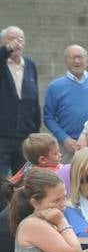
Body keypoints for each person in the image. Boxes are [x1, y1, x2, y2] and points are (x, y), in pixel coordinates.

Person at [1, 26, 41, 175]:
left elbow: (34, 100)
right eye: (11, 40)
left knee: (23, 179)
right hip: (2, 136)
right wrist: (6, 50)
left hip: (24, 135)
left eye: (20, 39)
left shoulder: (30, 65)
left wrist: (35, 130)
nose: (16, 43)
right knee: (2, 180)